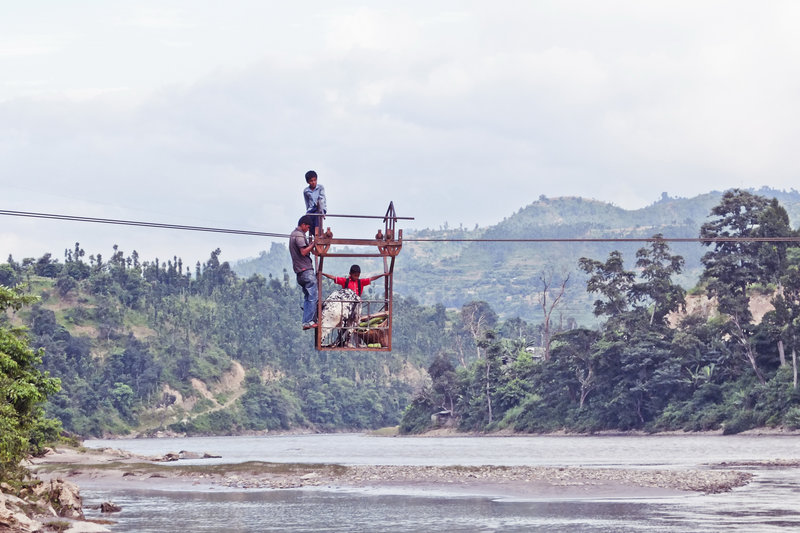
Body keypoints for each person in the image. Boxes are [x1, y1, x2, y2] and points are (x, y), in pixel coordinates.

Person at [289, 215, 318, 330]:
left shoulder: (293, 234)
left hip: (299, 273)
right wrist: (314, 244)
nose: (308, 229)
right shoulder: (299, 235)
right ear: (303, 225)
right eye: (308, 227)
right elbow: (303, 252)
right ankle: (309, 321)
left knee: (308, 297)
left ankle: (306, 321)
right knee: (312, 296)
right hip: (306, 270)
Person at [322, 264, 387, 297]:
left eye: (358, 276)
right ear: (350, 274)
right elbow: (333, 277)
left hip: (357, 303)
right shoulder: (345, 281)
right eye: (355, 275)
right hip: (347, 303)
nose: (356, 277)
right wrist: (322, 273)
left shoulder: (361, 282)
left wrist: (382, 275)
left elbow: (372, 278)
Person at [303, 170, 326, 238]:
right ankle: (317, 235)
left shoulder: (320, 187)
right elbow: (307, 202)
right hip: (311, 209)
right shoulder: (306, 191)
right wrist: (308, 212)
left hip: (320, 208)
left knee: (317, 216)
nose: (313, 182)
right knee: (307, 221)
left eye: (315, 180)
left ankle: (318, 234)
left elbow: (322, 199)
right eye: (311, 181)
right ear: (308, 182)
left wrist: (322, 211)